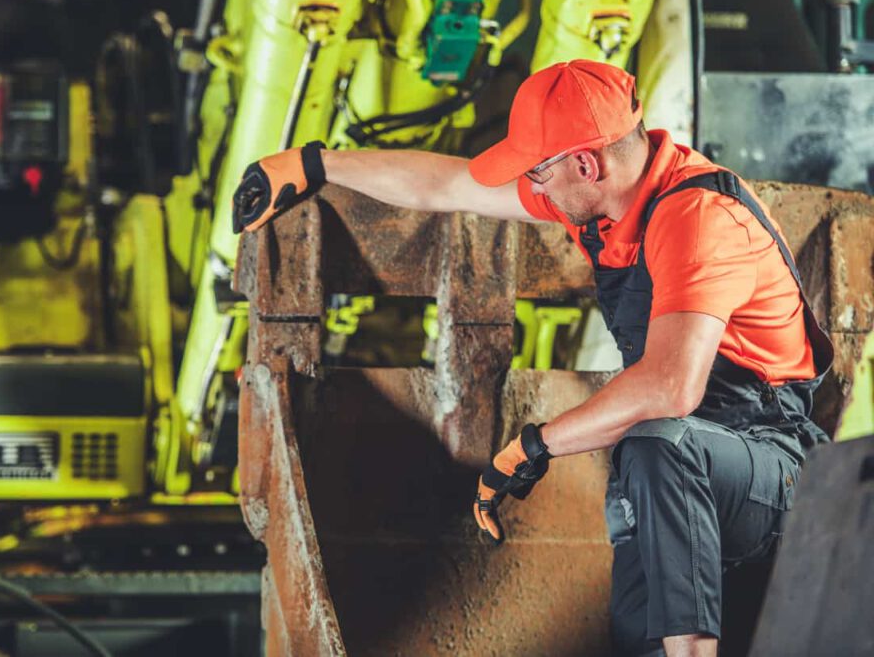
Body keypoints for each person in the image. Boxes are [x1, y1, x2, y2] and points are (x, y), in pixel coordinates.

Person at [231, 59, 833, 657]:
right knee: (640, 578)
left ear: (585, 163)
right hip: (680, 473)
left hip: (777, 475)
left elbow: (670, 388)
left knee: (655, 446)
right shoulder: (603, 197)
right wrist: (315, 163)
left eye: (537, 172)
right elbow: (447, 184)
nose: (532, 189)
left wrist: (533, 444)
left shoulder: (698, 218)